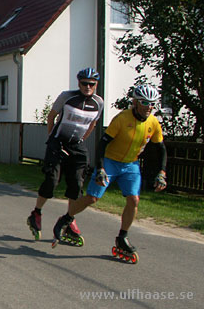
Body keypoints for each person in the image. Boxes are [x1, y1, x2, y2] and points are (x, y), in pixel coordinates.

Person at [53, 84, 167, 261]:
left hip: (131, 165)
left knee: (134, 200)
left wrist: (162, 172)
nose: (148, 107)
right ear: (135, 102)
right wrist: (100, 168)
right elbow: (102, 144)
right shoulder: (122, 119)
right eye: (144, 102)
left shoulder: (153, 122)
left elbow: (161, 149)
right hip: (111, 162)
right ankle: (66, 218)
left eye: (152, 103)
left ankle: (122, 237)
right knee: (92, 198)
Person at [27, 68, 104, 243]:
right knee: (51, 180)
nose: (88, 87)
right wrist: (52, 139)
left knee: (76, 184)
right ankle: (36, 213)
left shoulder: (98, 102)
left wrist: (82, 139)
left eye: (91, 84)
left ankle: (70, 219)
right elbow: (51, 117)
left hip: (77, 145)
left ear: (96, 85)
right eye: (84, 83)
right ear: (79, 83)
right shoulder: (67, 97)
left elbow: (93, 123)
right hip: (58, 141)